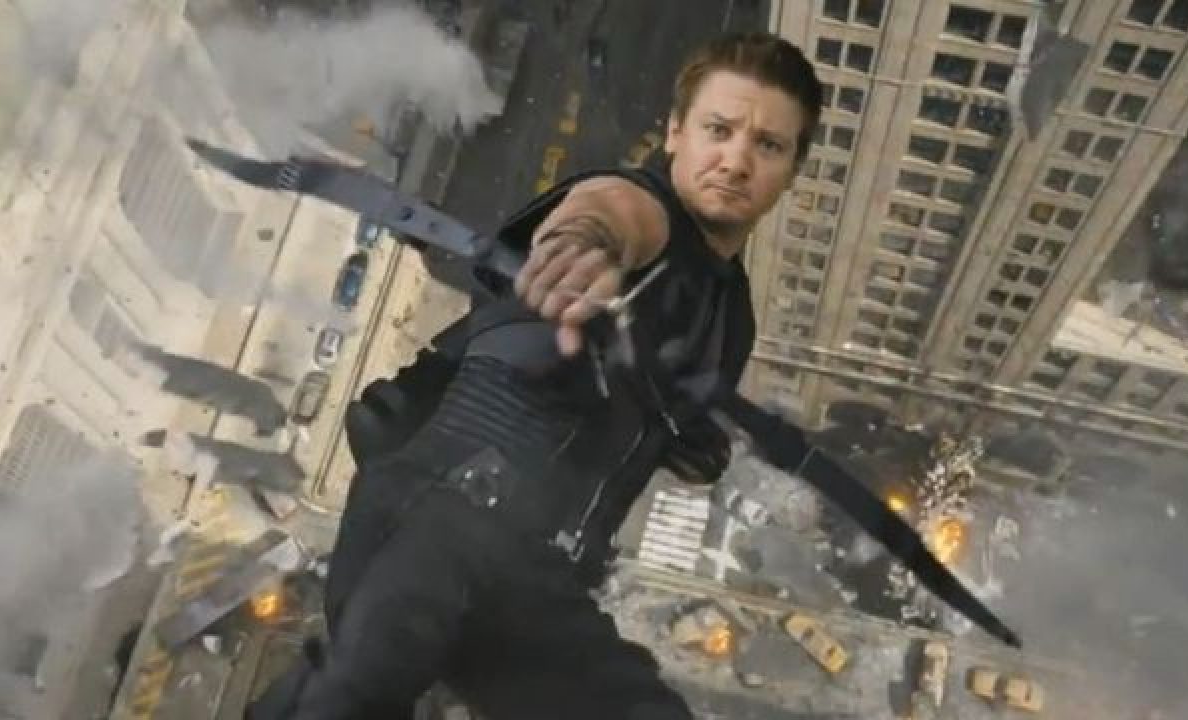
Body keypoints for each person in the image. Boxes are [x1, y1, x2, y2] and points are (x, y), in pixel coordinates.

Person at [247, 30, 822, 720]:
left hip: (533, 573)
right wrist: (583, 243)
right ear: (676, 132)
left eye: (768, 145)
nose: (735, 161)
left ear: (793, 168)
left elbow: (659, 419)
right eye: (719, 130)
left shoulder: (730, 312)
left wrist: (687, 441)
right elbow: (607, 213)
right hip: (443, 529)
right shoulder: (644, 210)